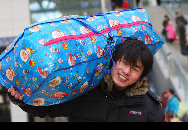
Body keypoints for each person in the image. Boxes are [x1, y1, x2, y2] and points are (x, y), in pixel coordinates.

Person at [7, 39, 165, 122]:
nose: (126, 71)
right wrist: (22, 100)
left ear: (142, 74)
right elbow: (48, 109)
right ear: (114, 60)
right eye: (124, 62)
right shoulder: (85, 89)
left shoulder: (150, 107)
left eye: (135, 68)